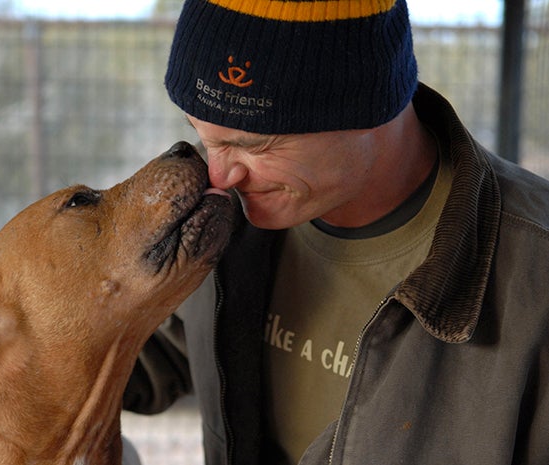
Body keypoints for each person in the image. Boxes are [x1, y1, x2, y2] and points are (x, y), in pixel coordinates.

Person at [123, 1, 549, 464]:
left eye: (256, 144)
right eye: (205, 137)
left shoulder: (536, 280)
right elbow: (134, 357)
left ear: (371, 108)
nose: (221, 177)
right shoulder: (221, 220)